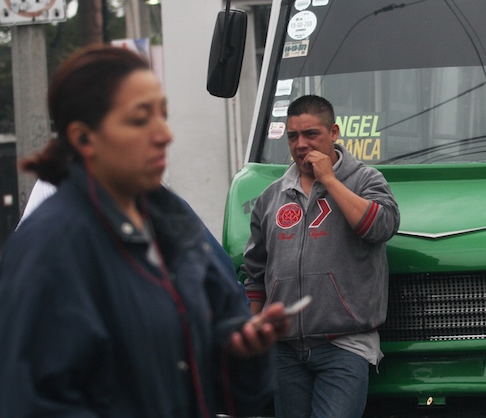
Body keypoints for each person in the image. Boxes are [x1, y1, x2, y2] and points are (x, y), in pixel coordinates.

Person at [0, 45, 289, 417]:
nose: (164, 134)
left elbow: (215, 387)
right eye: (140, 120)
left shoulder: (174, 224)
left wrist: (242, 355)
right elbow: (32, 401)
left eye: (163, 116)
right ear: (83, 137)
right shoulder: (50, 246)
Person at [241, 94, 400, 418]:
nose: (300, 144)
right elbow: (255, 272)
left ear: (334, 133)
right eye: (293, 136)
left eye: (311, 134)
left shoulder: (365, 179)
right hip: (284, 351)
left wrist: (329, 179)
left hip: (344, 345)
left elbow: (381, 226)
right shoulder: (272, 196)